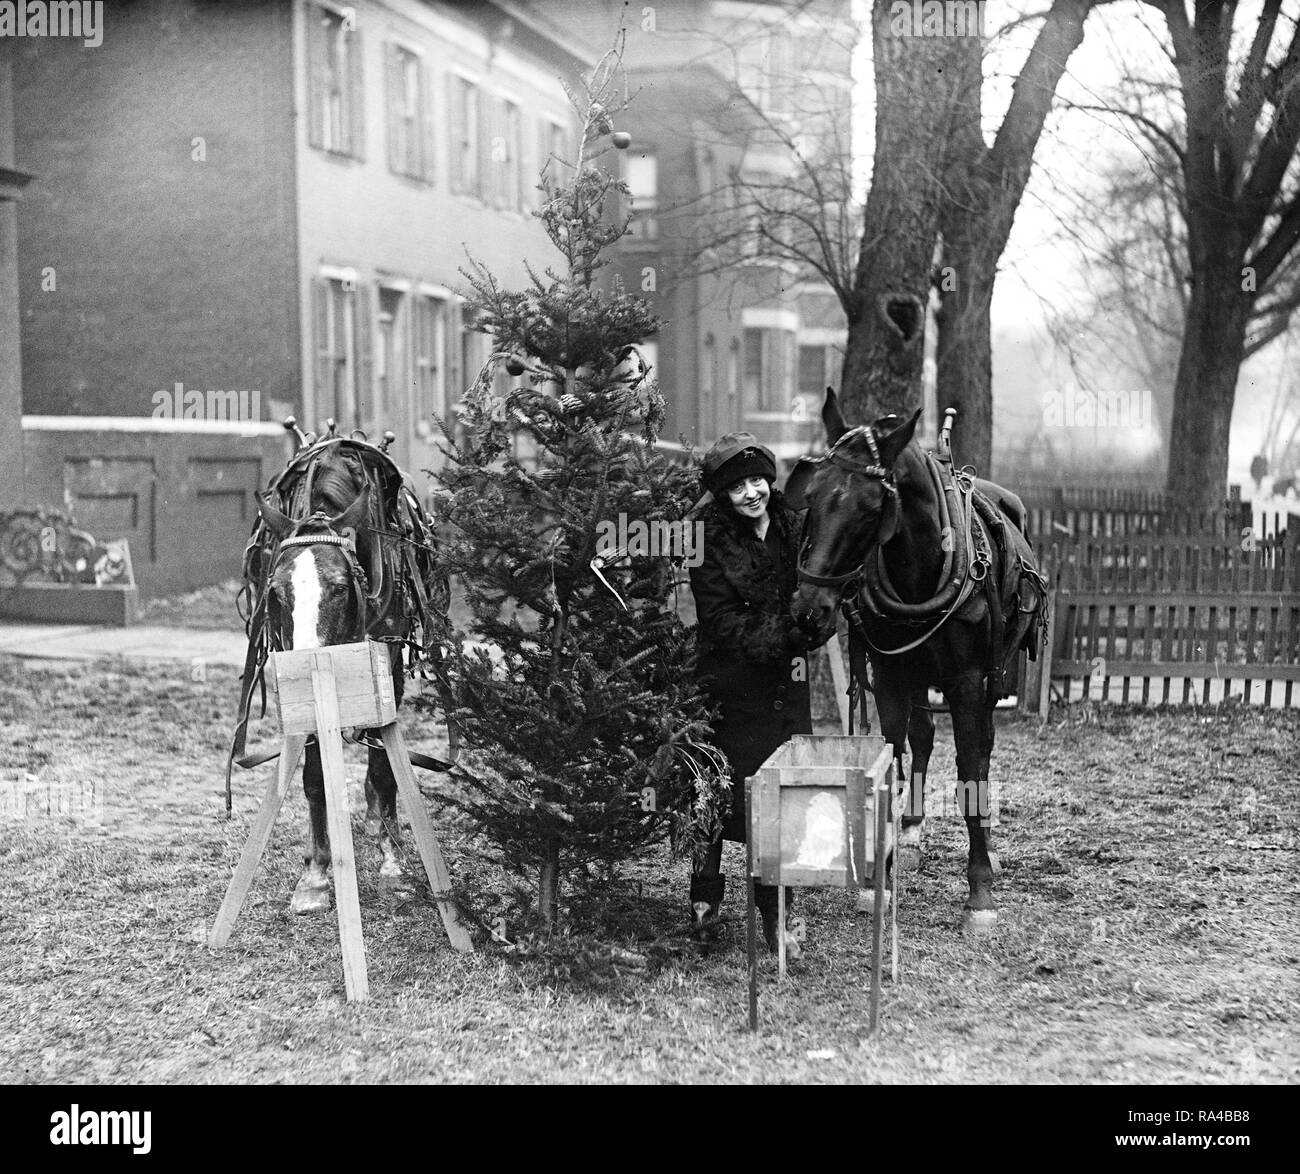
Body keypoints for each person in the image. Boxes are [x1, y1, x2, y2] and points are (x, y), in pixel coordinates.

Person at [688, 432, 832, 954]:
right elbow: (721, 622)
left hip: (787, 690)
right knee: (716, 795)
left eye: (758, 481)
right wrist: (790, 633)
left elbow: (819, 590)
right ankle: (704, 901)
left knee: (782, 801)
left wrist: (818, 626)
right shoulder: (704, 538)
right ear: (722, 495)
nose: (752, 493)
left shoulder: (796, 527)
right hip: (730, 688)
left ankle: (778, 917)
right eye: (738, 487)